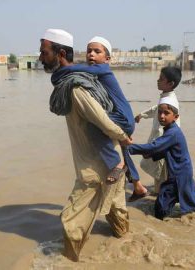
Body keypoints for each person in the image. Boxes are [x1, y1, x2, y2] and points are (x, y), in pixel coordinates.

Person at [39, 29, 131, 261]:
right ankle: (128, 253)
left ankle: (66, 263)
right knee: (117, 213)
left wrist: (123, 136)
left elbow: (102, 119)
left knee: (71, 224)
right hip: (112, 161)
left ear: (60, 54)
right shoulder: (76, 81)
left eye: (44, 52)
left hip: (96, 168)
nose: (40, 57)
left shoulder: (75, 87)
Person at [51, 36, 148, 202]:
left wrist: (60, 72)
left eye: (97, 51)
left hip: (121, 117)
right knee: (124, 151)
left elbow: (80, 70)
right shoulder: (97, 72)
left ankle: (116, 164)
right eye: (89, 51)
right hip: (125, 117)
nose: (91, 54)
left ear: (107, 59)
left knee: (93, 124)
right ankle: (138, 187)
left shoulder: (103, 69)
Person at [128, 96, 195, 219]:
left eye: (166, 113)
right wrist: (149, 153)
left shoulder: (172, 133)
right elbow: (162, 149)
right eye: (159, 112)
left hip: (177, 175)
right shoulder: (171, 130)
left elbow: (153, 146)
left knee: (160, 211)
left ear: (176, 117)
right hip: (183, 171)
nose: (162, 116)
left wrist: (128, 148)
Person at [134, 66, 181, 195]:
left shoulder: (170, 102)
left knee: (160, 174)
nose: (158, 80)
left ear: (170, 83)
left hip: (163, 143)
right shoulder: (166, 97)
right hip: (163, 143)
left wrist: (153, 148)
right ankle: (161, 193)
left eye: (161, 79)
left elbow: (163, 129)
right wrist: (142, 115)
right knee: (161, 174)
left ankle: (160, 198)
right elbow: (156, 109)